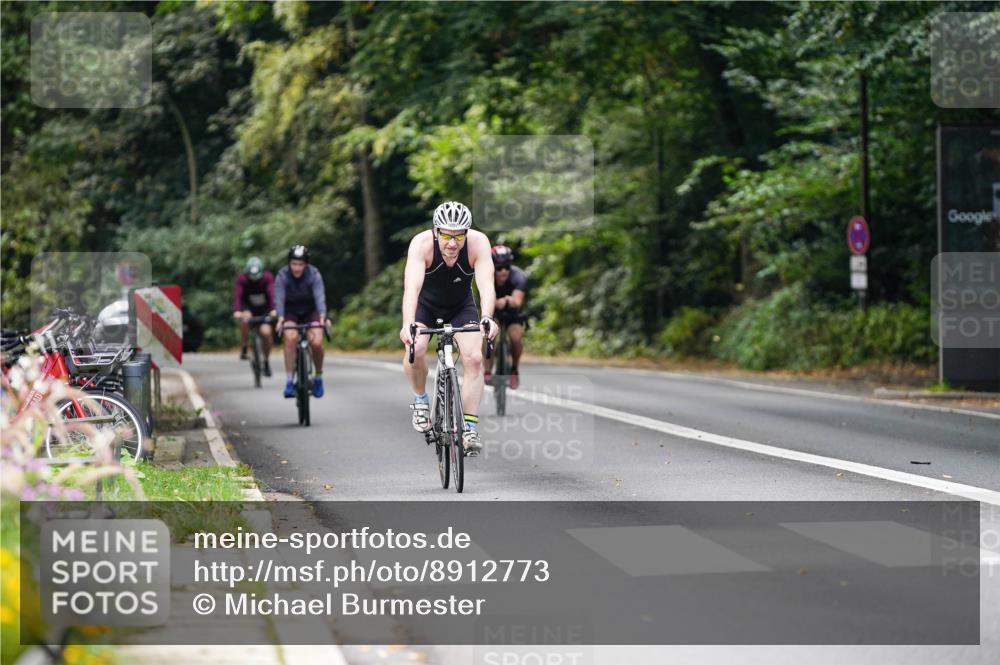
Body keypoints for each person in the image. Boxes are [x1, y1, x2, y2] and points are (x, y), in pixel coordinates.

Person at [399, 201, 498, 455]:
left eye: (458, 236)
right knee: (417, 347)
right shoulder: (421, 245)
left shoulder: (479, 243)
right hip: (426, 307)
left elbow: (486, 285)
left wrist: (487, 317)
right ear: (435, 231)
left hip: (460, 307)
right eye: (445, 235)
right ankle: (421, 400)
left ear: (466, 233)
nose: (452, 243)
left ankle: (470, 428)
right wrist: (408, 323)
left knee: (475, 358)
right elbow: (412, 288)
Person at [275, 245, 328, 399]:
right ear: (289, 263)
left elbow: (320, 296)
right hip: (290, 312)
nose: (297, 268)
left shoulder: (314, 274)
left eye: (300, 264)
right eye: (293, 264)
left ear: (306, 264)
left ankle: (318, 377)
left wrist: (323, 316)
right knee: (290, 338)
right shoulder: (282, 275)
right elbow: (279, 298)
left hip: (311, 312)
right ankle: (289, 380)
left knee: (317, 342)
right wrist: (280, 317)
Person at [484, 245, 527, 390]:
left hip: (512, 313)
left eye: (507, 267)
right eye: (499, 267)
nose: (504, 271)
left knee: (515, 338)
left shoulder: (518, 276)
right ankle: (488, 370)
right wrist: (496, 303)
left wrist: (508, 301)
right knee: (488, 335)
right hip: (492, 311)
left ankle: (514, 369)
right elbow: (482, 299)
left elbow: (518, 301)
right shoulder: (485, 275)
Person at [232, 257, 275, 376]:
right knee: (245, 319)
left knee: (266, 333)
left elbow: (272, 294)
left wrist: (274, 309)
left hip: (264, 310)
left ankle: (266, 361)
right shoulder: (242, 279)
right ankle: (245, 345)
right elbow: (238, 296)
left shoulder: (267, 278)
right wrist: (237, 311)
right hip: (248, 309)